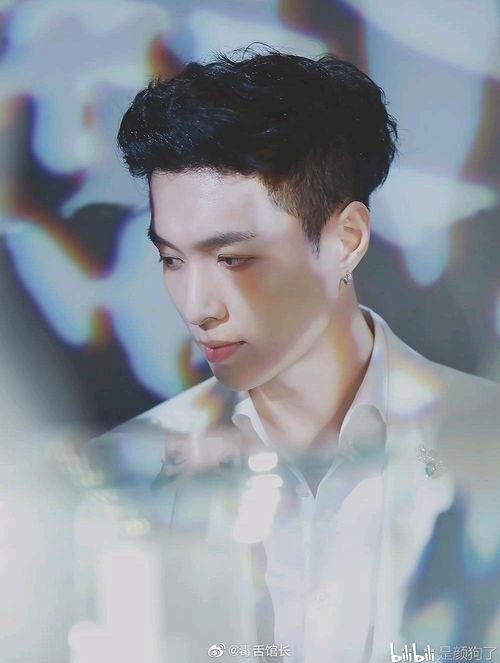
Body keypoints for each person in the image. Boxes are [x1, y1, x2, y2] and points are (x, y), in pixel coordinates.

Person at [93, 46, 500, 662]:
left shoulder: (484, 444)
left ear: (346, 240)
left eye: (233, 259)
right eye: (171, 259)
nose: (197, 306)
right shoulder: (122, 480)